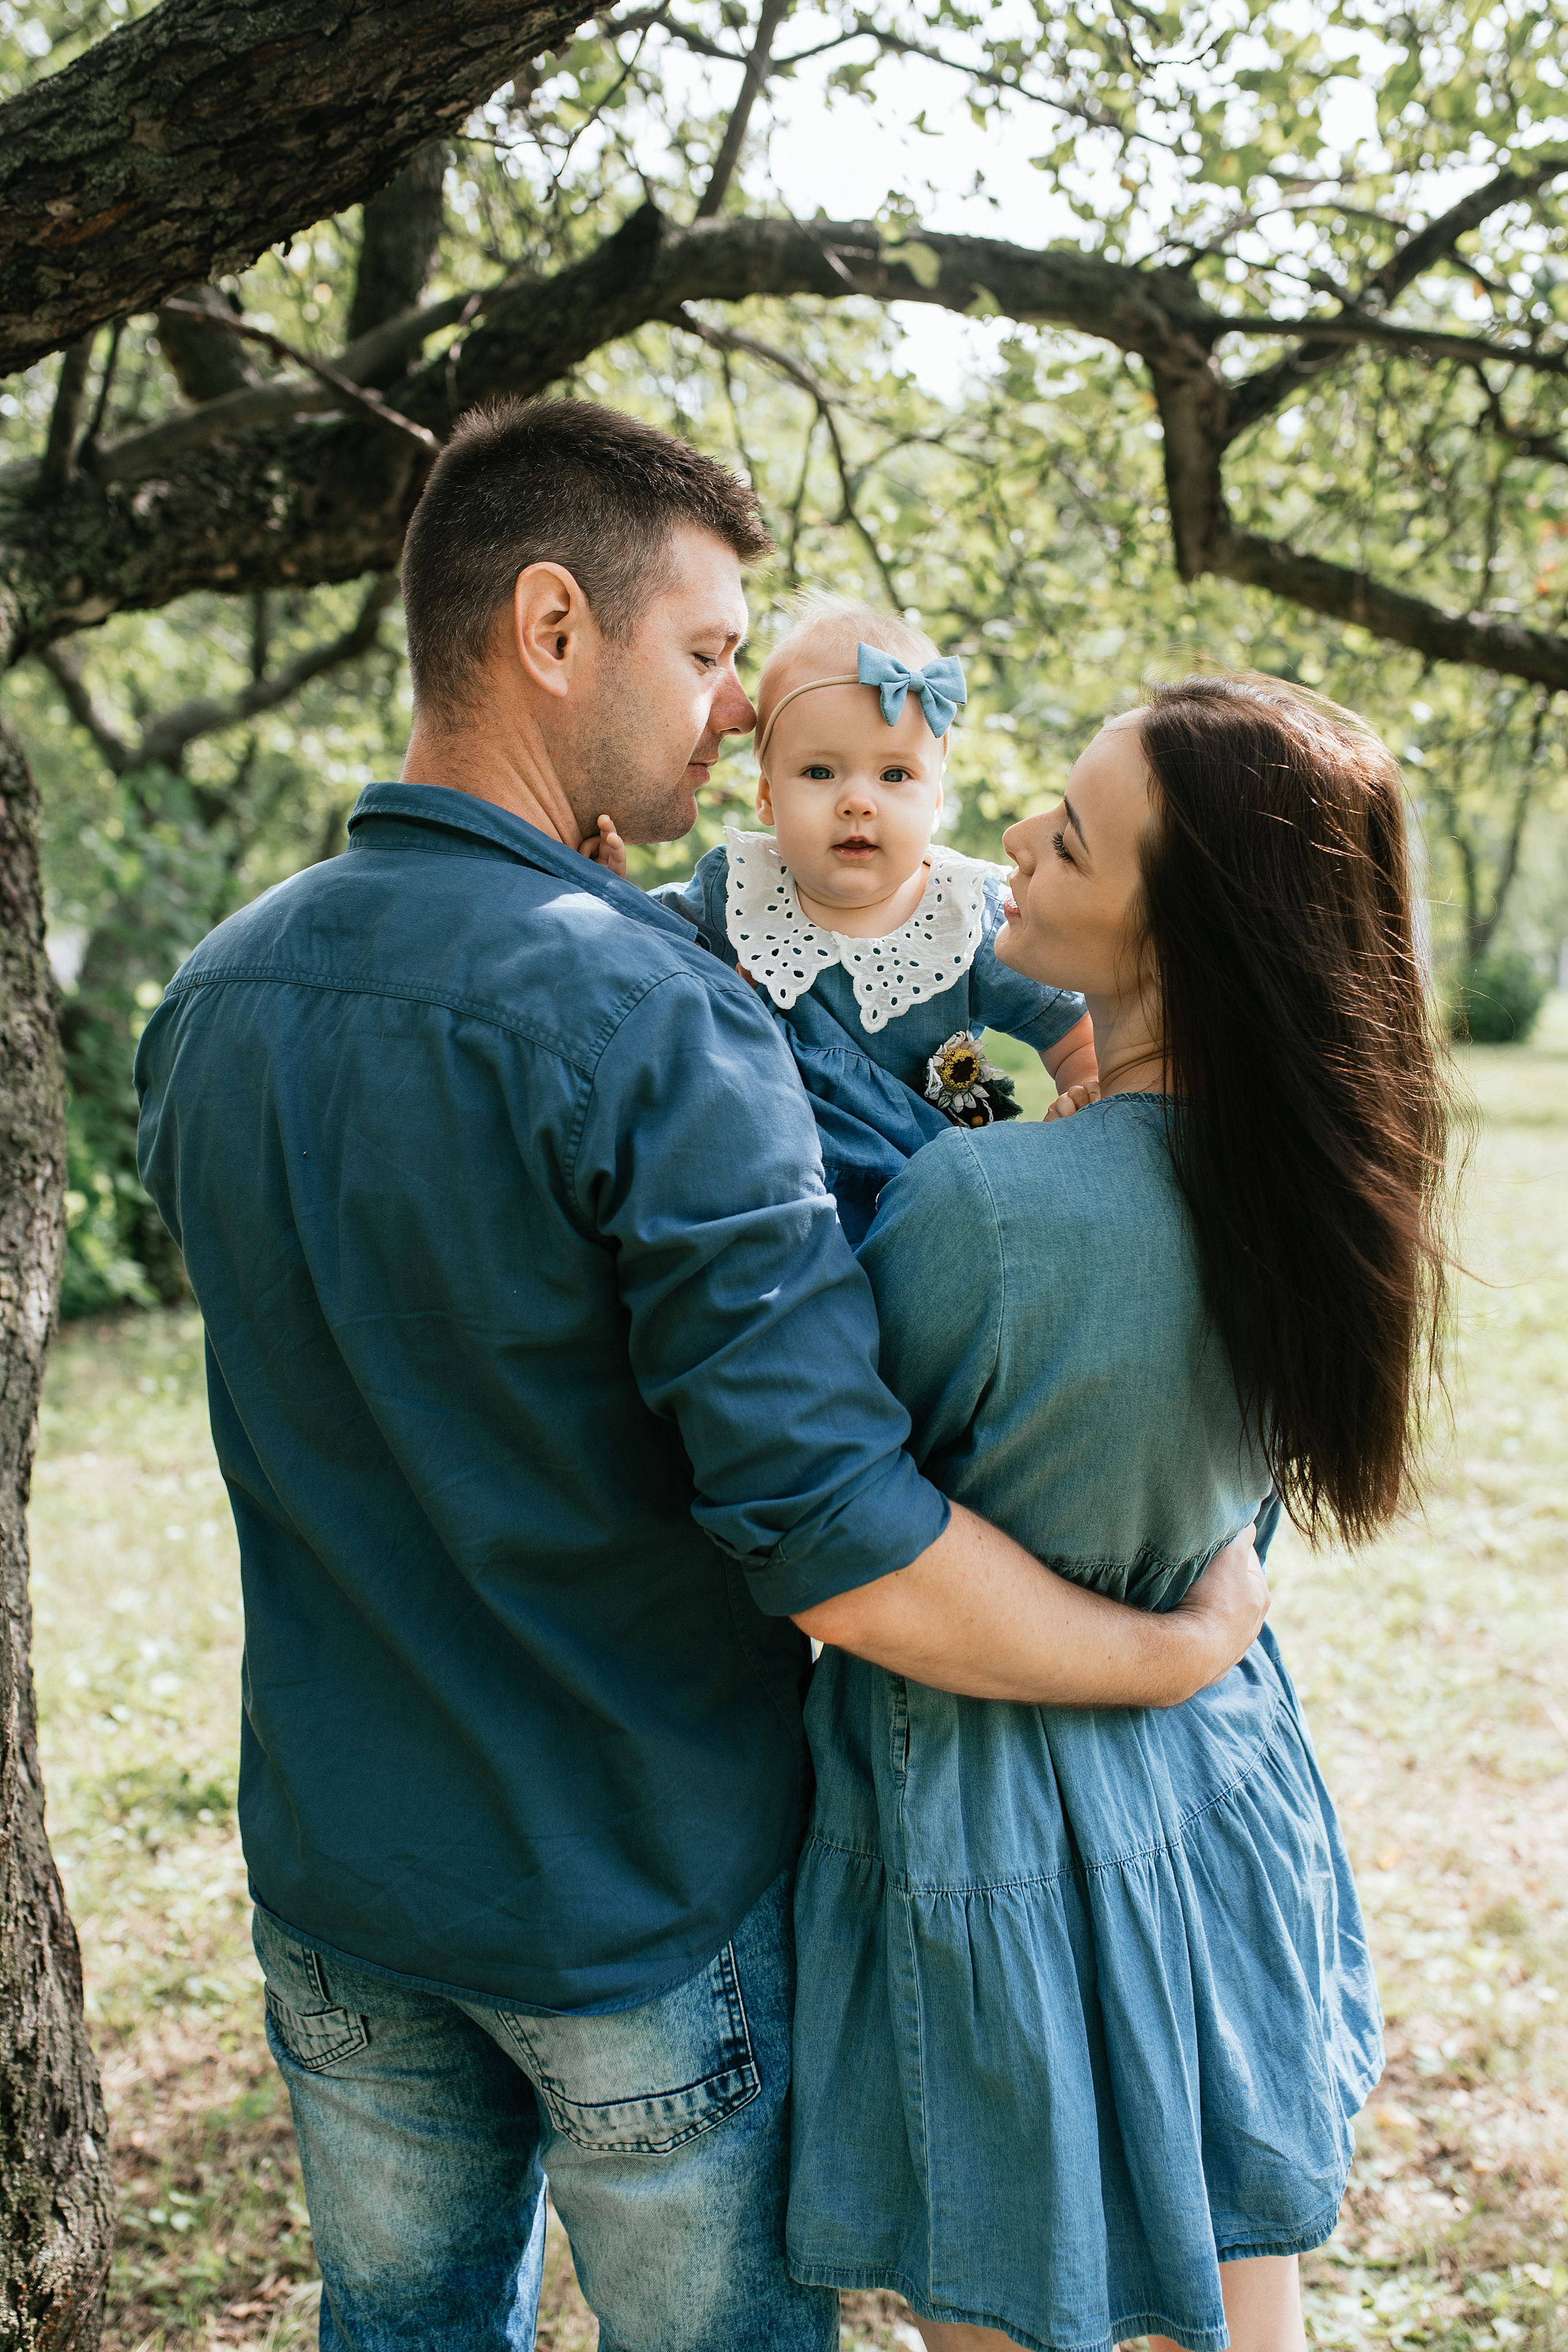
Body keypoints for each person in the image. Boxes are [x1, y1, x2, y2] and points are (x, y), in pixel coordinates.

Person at [134, 399, 1268, 2352]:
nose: (737, 716)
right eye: (711, 650)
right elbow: (841, 1539)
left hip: (338, 1882)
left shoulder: (212, 997)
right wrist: (1161, 1652)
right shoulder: (658, 1016)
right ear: (553, 629)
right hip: (633, 1894)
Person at [786, 677, 1455, 2352]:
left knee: (1019, 2301)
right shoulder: (1328, 1177)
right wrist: (1184, 1643)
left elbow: (834, 1524)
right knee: (1237, 2296)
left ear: (1186, 929)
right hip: (1224, 1786)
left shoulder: (988, 1209)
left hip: (987, 1821)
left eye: (1070, 835)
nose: (1011, 837)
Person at [649, 598, 1098, 1238]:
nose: (857, 801)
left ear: (937, 796)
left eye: (895, 773)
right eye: (819, 771)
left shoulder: (964, 916)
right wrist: (605, 880)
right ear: (767, 795)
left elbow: (1074, 1034)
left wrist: (1086, 1091)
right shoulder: (739, 889)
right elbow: (641, 945)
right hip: (774, 1183)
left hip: (925, 1199)